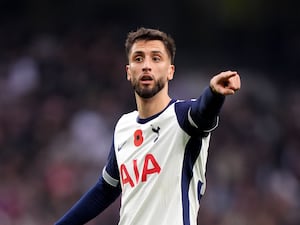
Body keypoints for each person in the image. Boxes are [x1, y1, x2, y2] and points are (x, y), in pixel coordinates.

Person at [54, 27, 241, 225]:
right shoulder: (124, 126)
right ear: (128, 72)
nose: (146, 66)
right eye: (138, 58)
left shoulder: (181, 117)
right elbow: (106, 189)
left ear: (170, 71)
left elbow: (203, 113)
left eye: (156, 58)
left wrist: (214, 93)